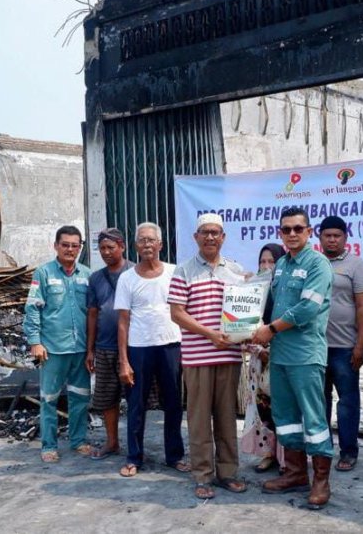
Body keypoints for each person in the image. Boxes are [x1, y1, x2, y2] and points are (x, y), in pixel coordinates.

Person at [252, 206, 334, 510]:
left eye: (298, 228)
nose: (292, 234)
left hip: (306, 355)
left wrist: (270, 329)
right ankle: (296, 473)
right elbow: (268, 304)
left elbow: (307, 309)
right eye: (286, 229)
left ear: (309, 232)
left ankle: (321, 481)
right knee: (285, 419)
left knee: (314, 418)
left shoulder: (318, 264)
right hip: (281, 356)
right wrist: (248, 327)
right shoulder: (281, 265)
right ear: (280, 233)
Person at [168, 213, 247, 500]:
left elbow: (245, 312)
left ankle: (228, 473)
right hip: (197, 357)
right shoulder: (184, 271)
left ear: (223, 237)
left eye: (216, 232)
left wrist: (247, 331)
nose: (211, 237)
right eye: (205, 232)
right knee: (199, 418)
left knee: (226, 417)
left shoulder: (236, 271)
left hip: (229, 357)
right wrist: (210, 334)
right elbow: (177, 314)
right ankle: (202, 476)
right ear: (196, 237)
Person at [114, 222, 188, 478]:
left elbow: (184, 311)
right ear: (136, 246)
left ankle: (174, 455)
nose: (147, 244)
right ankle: (134, 457)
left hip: (170, 345)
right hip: (139, 348)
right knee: (136, 404)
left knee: (174, 404)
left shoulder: (174, 272)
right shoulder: (127, 278)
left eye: (151, 240)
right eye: (142, 240)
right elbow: (123, 321)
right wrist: (124, 361)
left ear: (160, 245)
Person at [24, 225, 92, 463]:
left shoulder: (87, 275)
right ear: (56, 246)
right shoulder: (43, 274)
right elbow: (32, 309)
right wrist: (35, 341)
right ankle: (48, 446)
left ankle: (78, 440)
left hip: (80, 349)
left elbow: (93, 313)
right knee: (49, 398)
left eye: (75, 245)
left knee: (81, 396)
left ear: (80, 248)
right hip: (52, 349)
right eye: (65, 245)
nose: (70, 250)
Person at [318, 216, 363, 472]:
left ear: (345, 238)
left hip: (345, 347)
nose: (332, 239)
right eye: (327, 235)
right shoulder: (313, 263)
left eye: (336, 235)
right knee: (320, 401)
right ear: (319, 238)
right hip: (315, 346)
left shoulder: (356, 265)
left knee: (347, 402)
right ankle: (323, 450)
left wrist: (361, 345)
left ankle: (348, 452)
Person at [85, 228, 134, 460]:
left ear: (122, 246)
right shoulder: (95, 278)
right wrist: (90, 349)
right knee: (106, 398)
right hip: (105, 347)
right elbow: (93, 314)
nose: (106, 252)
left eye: (110, 247)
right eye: (102, 248)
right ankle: (112, 442)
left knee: (136, 399)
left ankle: (136, 446)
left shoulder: (136, 272)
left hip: (134, 347)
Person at [240, 243, 286, 473]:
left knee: (284, 408)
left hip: (282, 357)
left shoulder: (286, 290)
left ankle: (286, 458)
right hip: (259, 359)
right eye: (263, 262)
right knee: (263, 408)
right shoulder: (253, 290)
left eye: (272, 262)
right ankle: (268, 453)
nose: (267, 267)